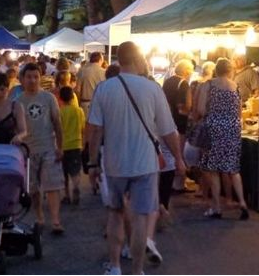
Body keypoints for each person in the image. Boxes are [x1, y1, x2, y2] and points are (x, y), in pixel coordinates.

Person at [87, 41, 185, 275]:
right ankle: (138, 270)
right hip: (145, 163)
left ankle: (115, 266)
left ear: (119, 59)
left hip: (115, 163)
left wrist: (92, 162)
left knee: (115, 213)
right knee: (141, 218)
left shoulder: (104, 89)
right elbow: (168, 130)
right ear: (138, 59)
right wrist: (179, 158)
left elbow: (94, 129)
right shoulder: (152, 89)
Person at [195, 58, 249, 221]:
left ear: (216, 70)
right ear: (230, 70)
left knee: (213, 170)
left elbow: (201, 109)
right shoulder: (235, 87)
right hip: (232, 129)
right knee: (233, 169)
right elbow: (239, 112)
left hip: (214, 128)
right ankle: (242, 202)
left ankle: (216, 207)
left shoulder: (209, 85)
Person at [18, 63, 65, 235]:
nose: (32, 80)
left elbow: (57, 124)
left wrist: (60, 147)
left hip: (48, 147)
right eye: (29, 77)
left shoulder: (49, 98)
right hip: (28, 151)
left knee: (52, 185)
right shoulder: (18, 101)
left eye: (36, 77)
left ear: (40, 78)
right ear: (22, 79)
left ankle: (55, 220)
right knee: (33, 189)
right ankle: (39, 216)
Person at [162, 59, 194, 192]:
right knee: (178, 153)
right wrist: (191, 113)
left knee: (169, 153)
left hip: (166, 121)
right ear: (186, 71)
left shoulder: (167, 81)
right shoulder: (184, 83)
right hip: (179, 123)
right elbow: (182, 107)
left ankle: (170, 182)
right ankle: (178, 184)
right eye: (191, 71)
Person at [58, 86, 85, 205]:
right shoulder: (79, 111)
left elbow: (58, 130)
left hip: (63, 145)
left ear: (60, 98)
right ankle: (76, 186)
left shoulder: (60, 112)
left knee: (64, 172)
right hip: (77, 143)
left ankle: (66, 195)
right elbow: (83, 127)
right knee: (75, 170)